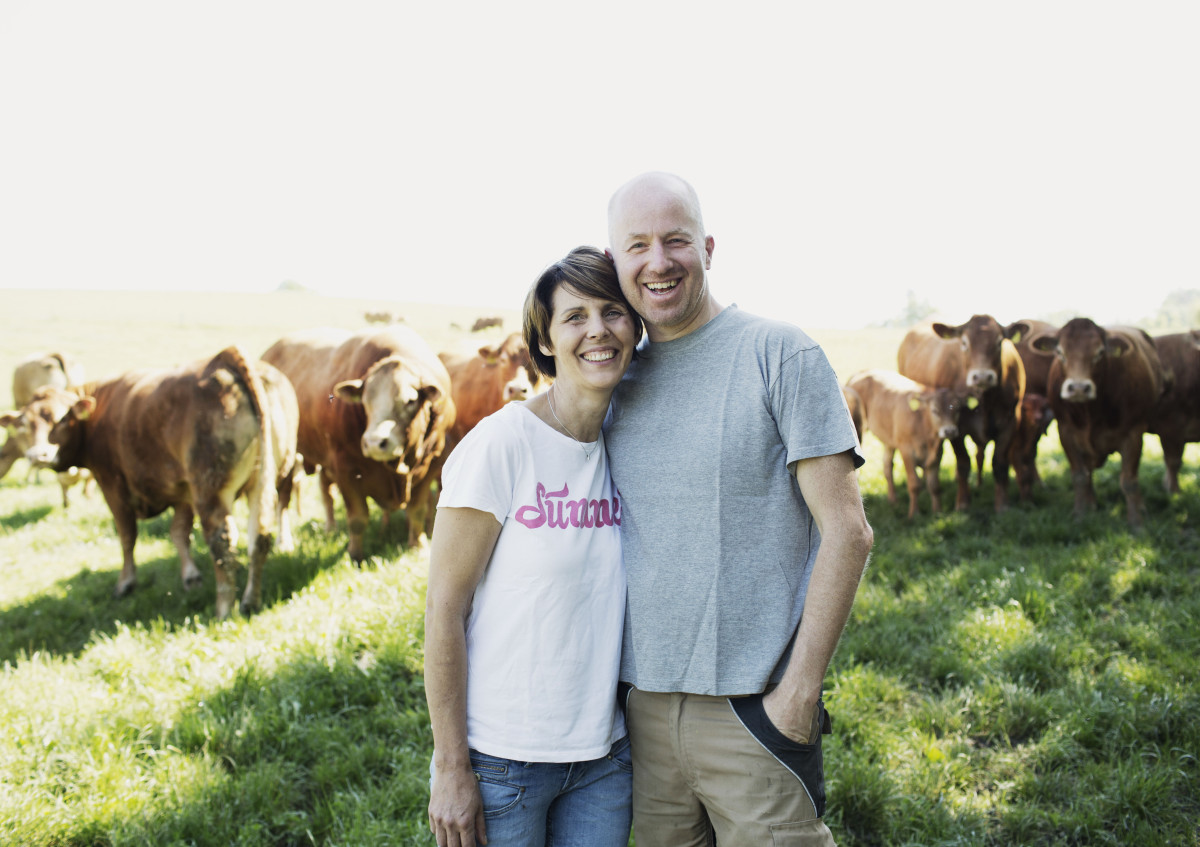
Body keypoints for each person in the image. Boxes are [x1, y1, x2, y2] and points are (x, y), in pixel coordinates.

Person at [604, 172, 875, 847]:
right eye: (637, 245)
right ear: (614, 263)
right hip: (639, 714)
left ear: (709, 248)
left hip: (754, 711)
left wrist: (798, 695)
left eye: (676, 240)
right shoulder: (612, 378)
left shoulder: (778, 353)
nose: (658, 261)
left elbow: (848, 531)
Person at [424, 245, 643, 847]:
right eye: (574, 317)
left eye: (612, 312)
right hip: (504, 760)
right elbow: (445, 608)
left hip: (606, 757)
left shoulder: (631, 442)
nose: (597, 330)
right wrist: (451, 766)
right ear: (545, 340)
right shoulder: (502, 445)